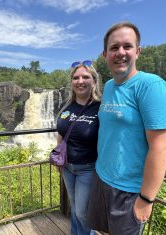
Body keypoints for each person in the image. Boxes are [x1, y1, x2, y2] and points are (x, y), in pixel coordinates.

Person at [87, 22, 166, 235]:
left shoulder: (151, 87)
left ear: (138, 51)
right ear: (105, 54)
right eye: (114, 47)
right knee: (101, 232)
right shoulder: (108, 86)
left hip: (129, 190)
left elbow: (160, 147)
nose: (121, 52)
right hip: (101, 177)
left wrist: (146, 198)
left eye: (127, 46)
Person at [56, 60, 102, 235]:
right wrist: (59, 159)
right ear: (71, 82)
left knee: (83, 212)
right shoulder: (67, 107)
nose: (80, 81)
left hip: (88, 169)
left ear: (94, 81)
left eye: (85, 77)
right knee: (75, 207)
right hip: (67, 167)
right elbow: (61, 133)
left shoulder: (101, 108)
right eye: (76, 78)